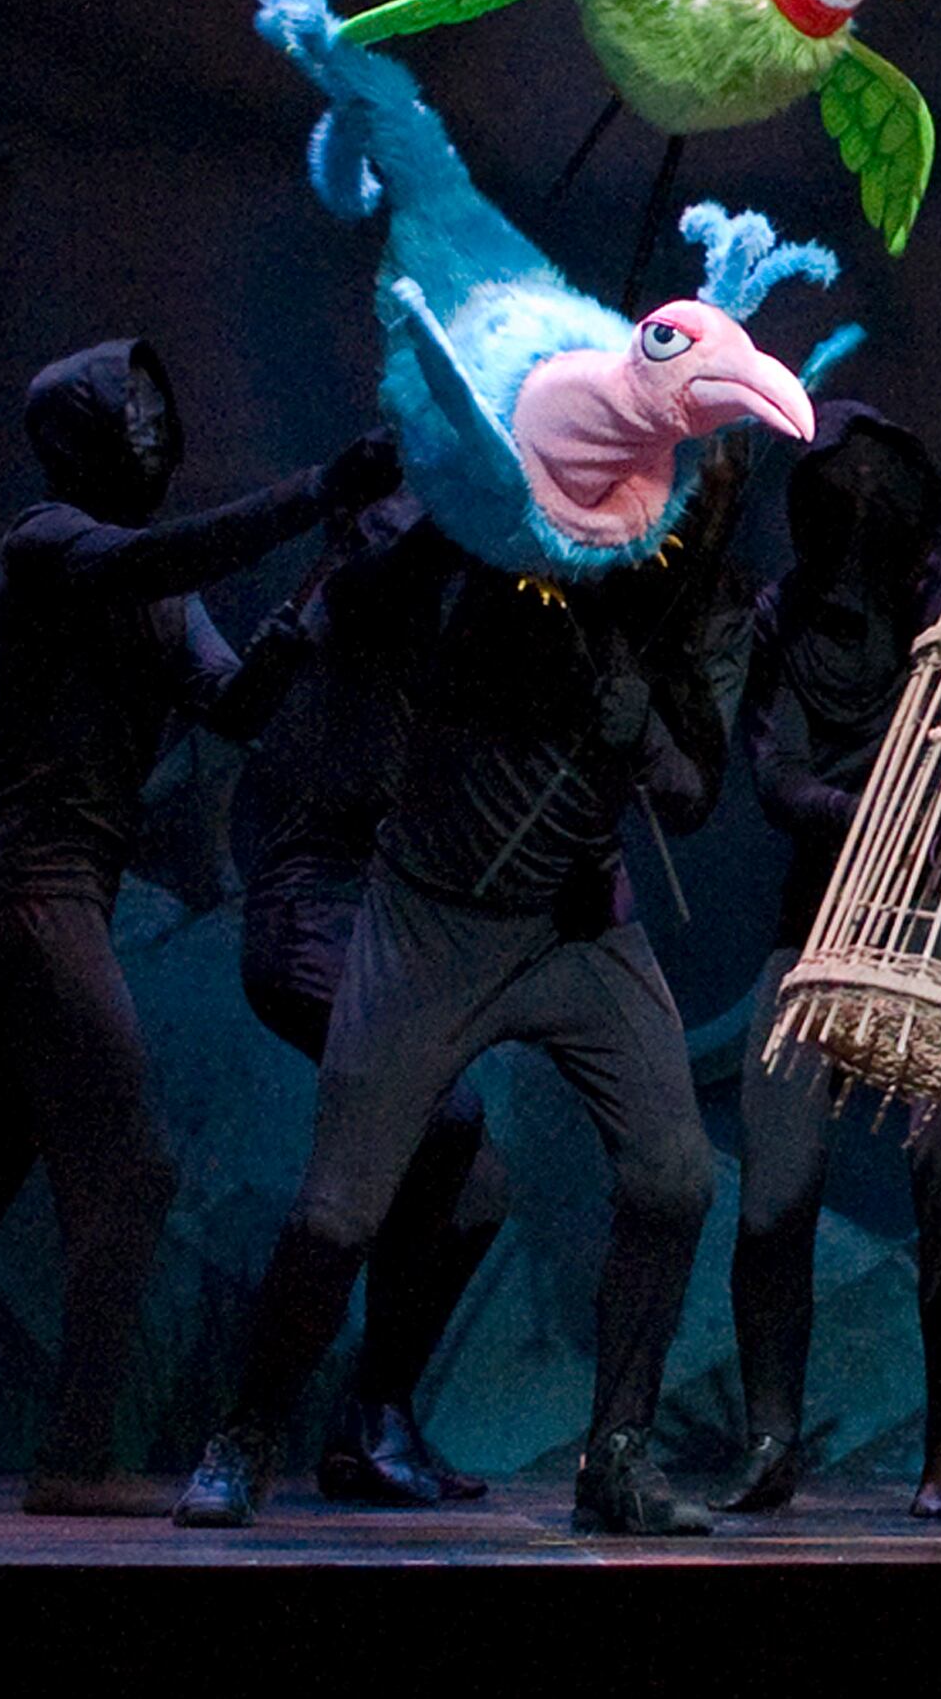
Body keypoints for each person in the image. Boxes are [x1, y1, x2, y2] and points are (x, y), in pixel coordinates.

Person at [0, 340, 394, 1514]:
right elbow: (159, 556)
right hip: (31, 878)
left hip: (57, 879)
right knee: (132, 1172)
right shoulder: (47, 541)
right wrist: (312, 494)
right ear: (77, 436)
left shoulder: (159, 589)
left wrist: (316, 590)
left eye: (149, 405)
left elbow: (233, 700)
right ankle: (76, 1458)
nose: (144, 425)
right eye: (121, 408)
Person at [175, 479, 744, 1535]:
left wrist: (647, 734)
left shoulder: (702, 608)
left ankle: (615, 1454)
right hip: (430, 913)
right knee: (342, 1206)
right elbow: (371, 615)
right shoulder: (497, 546)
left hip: (577, 920)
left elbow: (690, 795)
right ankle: (247, 1432)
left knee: (674, 1174)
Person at [717, 403, 941, 1523]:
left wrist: (936, 820)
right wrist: (877, 809)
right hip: (817, 933)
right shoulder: (782, 616)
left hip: (938, 933)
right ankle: (770, 1435)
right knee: (776, 1194)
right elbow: (774, 777)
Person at [223, 488, 503, 1508]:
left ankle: (373, 1416)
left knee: (477, 1185)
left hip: (387, 926)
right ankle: (255, 1433)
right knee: (441, 1123)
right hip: (312, 915)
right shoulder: (350, 593)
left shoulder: (433, 637)